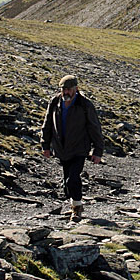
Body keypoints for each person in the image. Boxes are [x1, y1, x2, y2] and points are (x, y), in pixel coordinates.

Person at [41, 74, 104, 221]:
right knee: (66, 184)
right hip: (62, 149)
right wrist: (45, 145)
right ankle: (74, 204)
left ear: (76, 89)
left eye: (69, 89)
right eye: (63, 90)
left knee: (72, 179)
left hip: (79, 149)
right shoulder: (55, 102)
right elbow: (47, 124)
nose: (66, 93)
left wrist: (98, 151)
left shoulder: (85, 104)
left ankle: (77, 208)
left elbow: (95, 128)